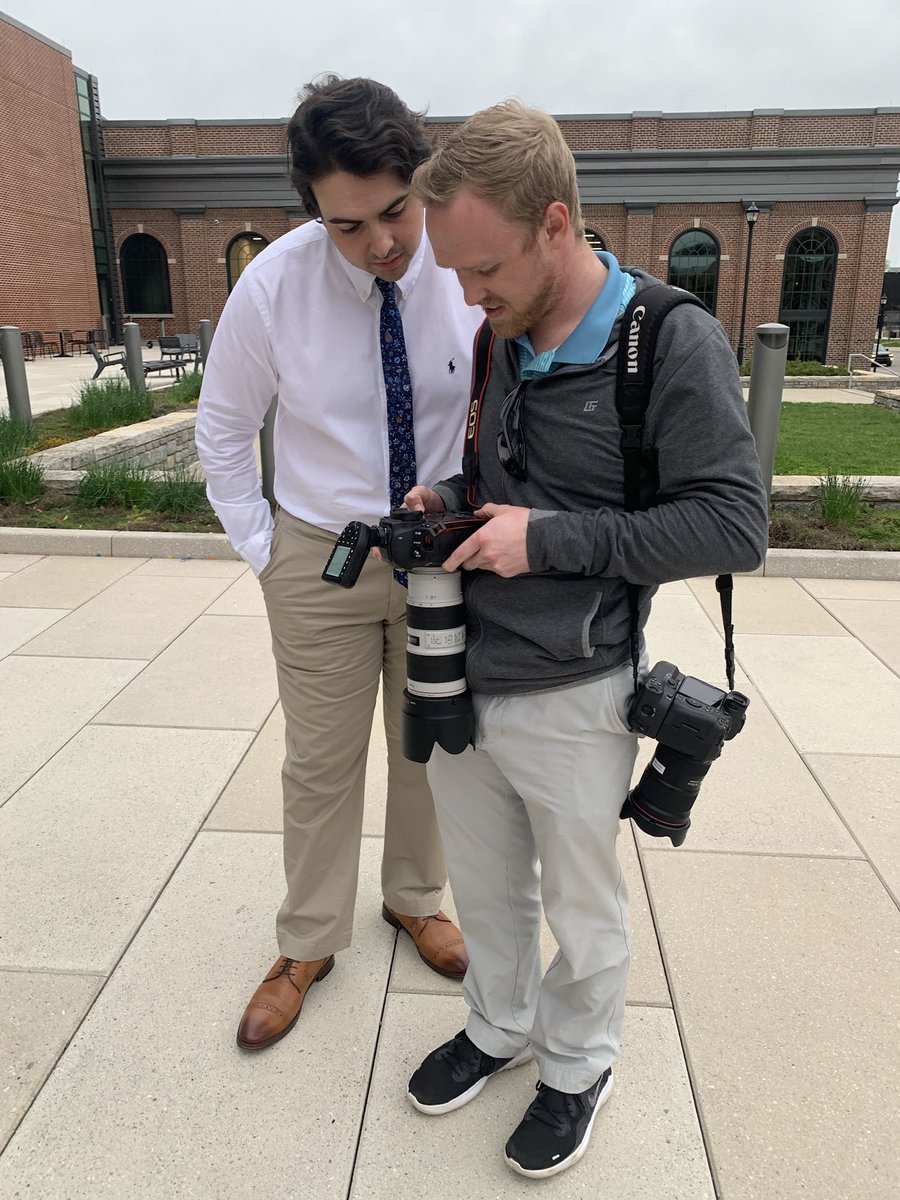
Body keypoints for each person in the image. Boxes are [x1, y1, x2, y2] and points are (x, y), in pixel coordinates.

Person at [401, 101, 768, 1179]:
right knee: (485, 884)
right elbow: (510, 483)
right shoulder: (498, 336)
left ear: (555, 223)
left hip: (579, 687)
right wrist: (457, 497)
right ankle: (499, 1025)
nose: (470, 297)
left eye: (484, 269)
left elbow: (734, 524)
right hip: (463, 674)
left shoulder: (671, 338)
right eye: (457, 277)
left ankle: (577, 1066)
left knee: (582, 903)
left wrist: (548, 541)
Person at [195, 76, 481, 1053]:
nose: (381, 244)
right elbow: (225, 429)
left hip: (440, 548)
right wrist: (262, 548)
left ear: (421, 181)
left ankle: (413, 900)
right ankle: (307, 941)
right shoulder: (273, 285)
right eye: (346, 224)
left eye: (394, 212)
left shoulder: (460, 263)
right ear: (313, 210)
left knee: (431, 743)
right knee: (319, 764)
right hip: (321, 554)